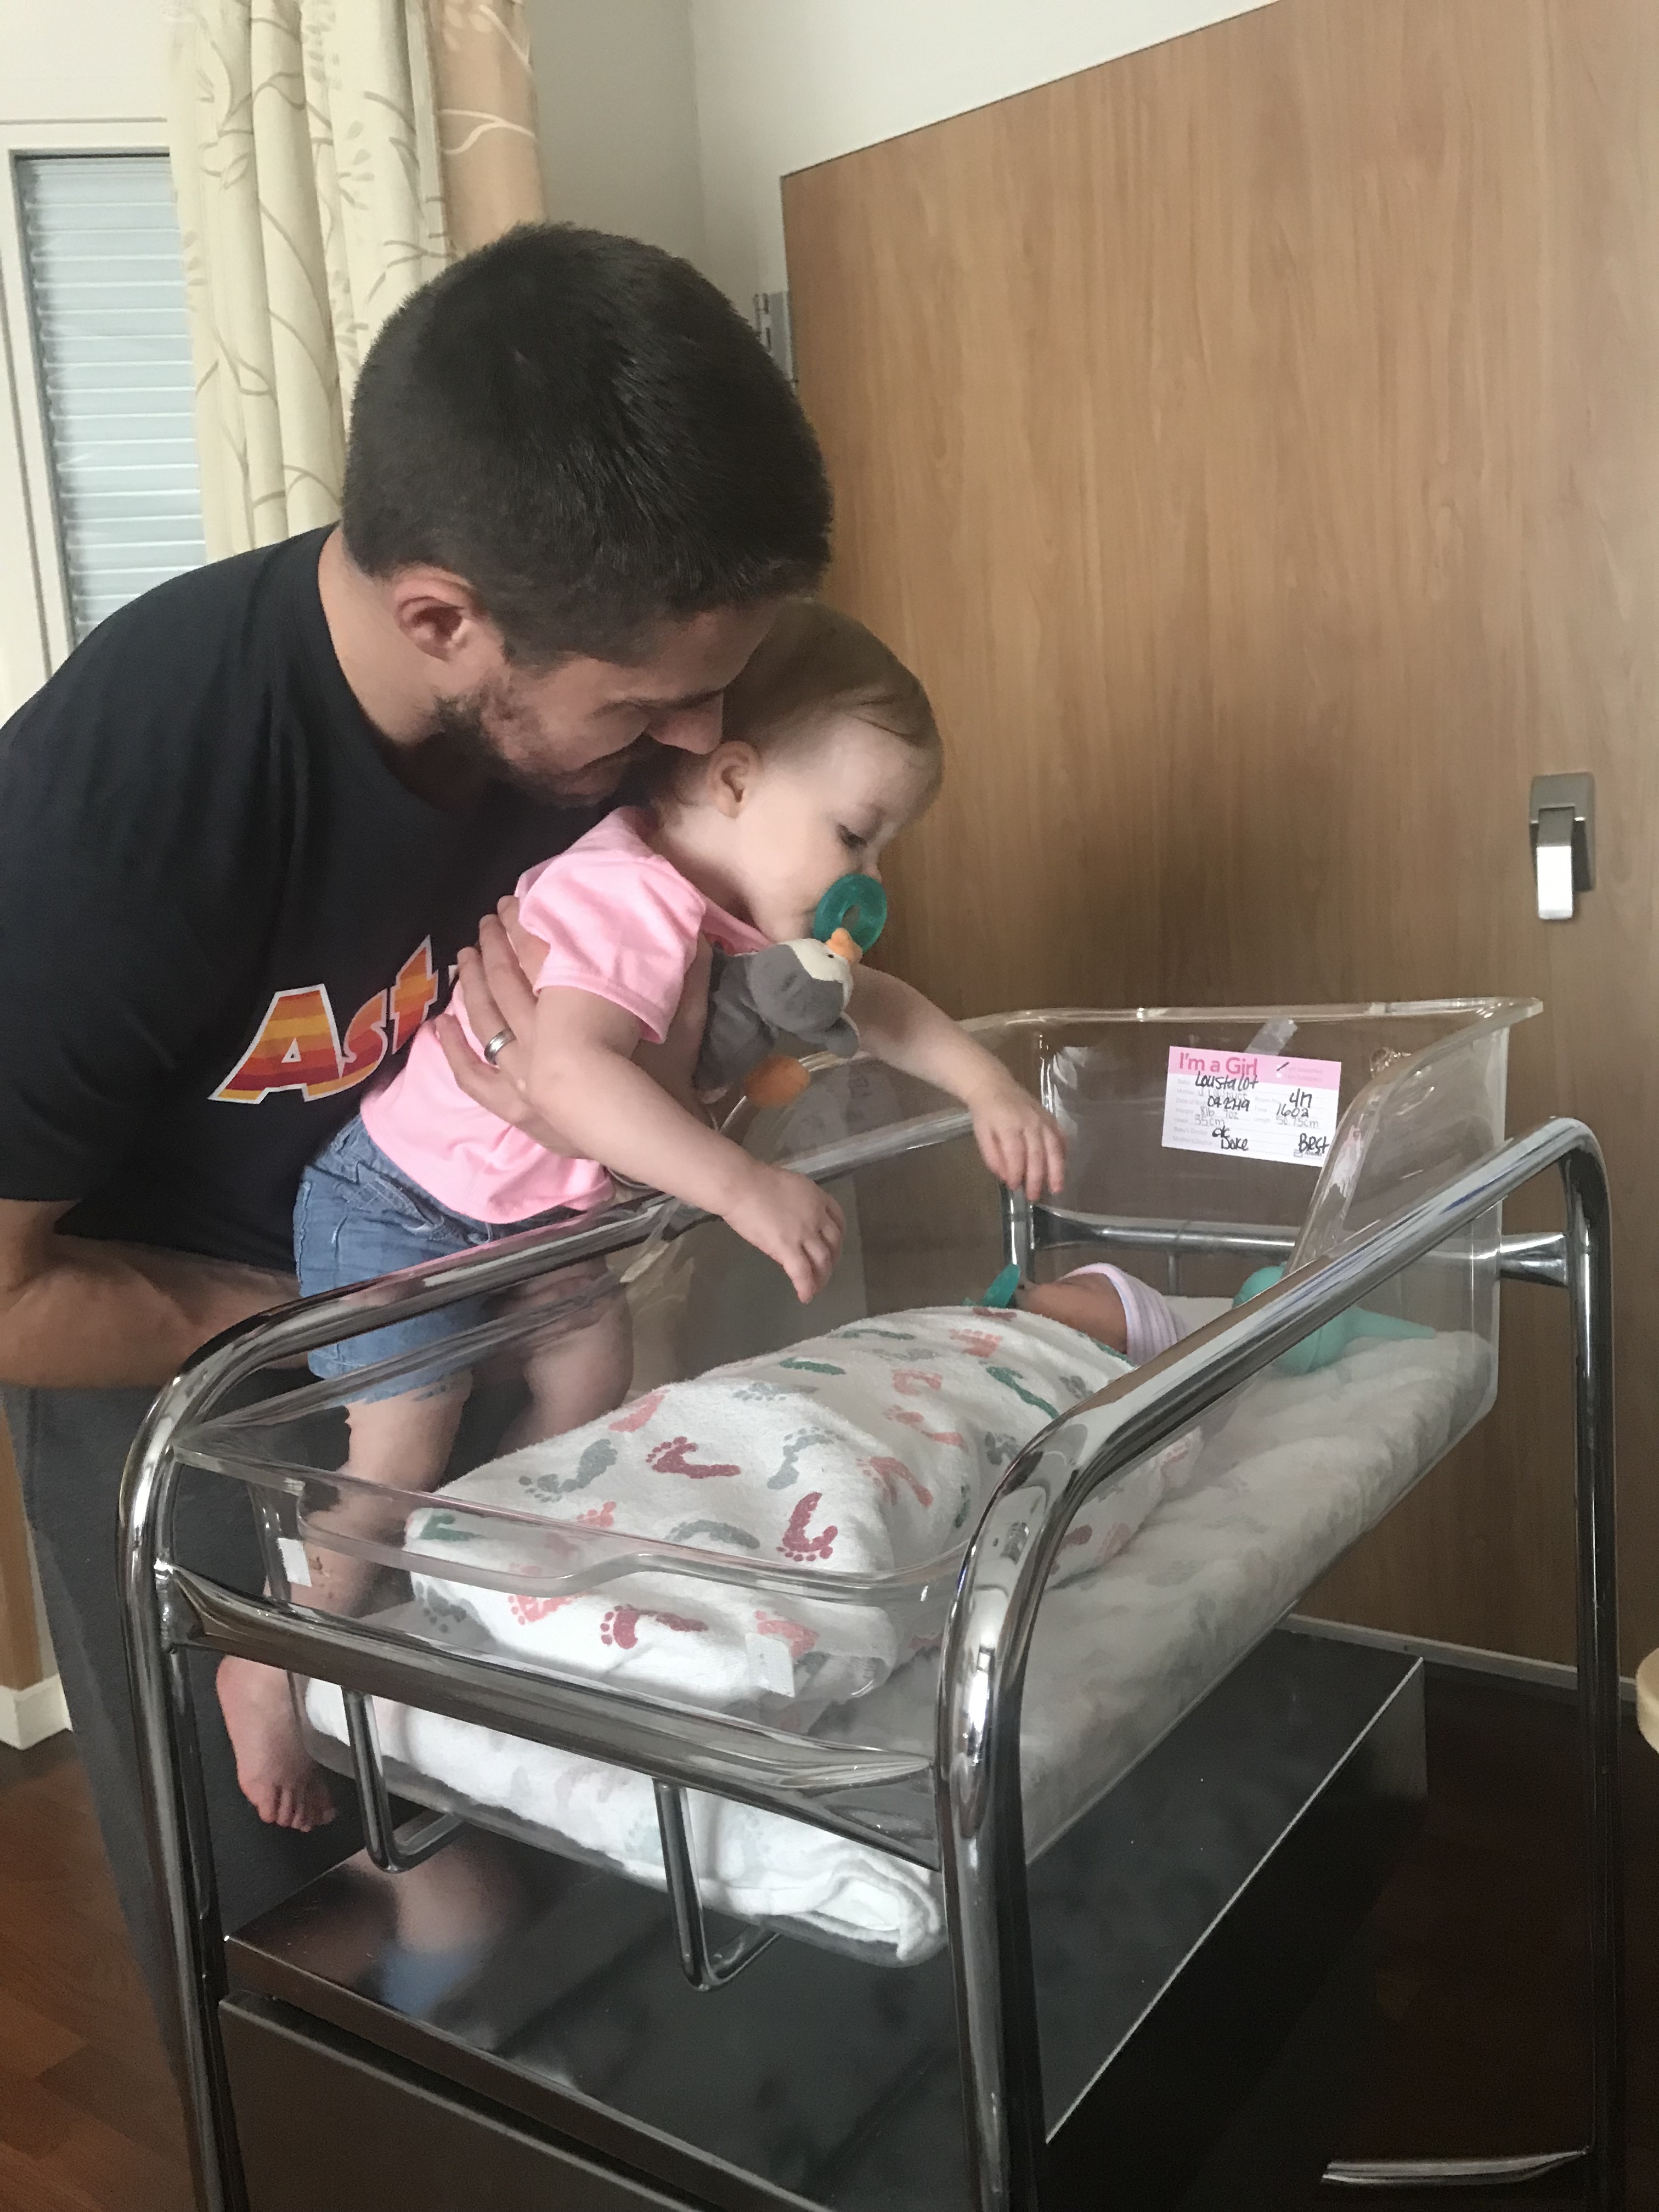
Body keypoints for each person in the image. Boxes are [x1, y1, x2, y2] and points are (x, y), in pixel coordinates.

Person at [0, 221, 833, 2042]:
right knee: (291, 1926)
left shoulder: (590, 734)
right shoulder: (125, 801)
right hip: (187, 1378)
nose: (700, 737)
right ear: (443, 618)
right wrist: (356, 1319)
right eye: (648, 702)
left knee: (559, 1855)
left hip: (483, 1313)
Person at [217, 599, 1072, 1828]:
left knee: (590, 1383)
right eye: (855, 835)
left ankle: (486, 1583)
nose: (870, 881)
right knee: (403, 1446)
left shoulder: (737, 917)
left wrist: (988, 1086)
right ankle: (272, 1656)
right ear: (733, 780)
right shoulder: (630, 896)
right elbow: (570, 1077)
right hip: (401, 1209)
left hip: (528, 1230)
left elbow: (873, 1003)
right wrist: (740, 1184)